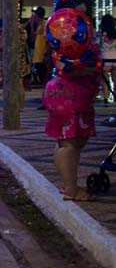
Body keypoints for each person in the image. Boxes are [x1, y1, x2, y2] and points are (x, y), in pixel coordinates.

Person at [43, 60, 99, 202]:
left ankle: (66, 184)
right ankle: (71, 189)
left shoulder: (58, 41)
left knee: (64, 142)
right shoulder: (72, 41)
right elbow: (67, 68)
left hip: (61, 92)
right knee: (70, 144)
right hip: (71, 94)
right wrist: (89, 69)